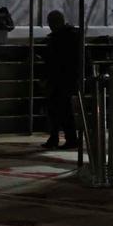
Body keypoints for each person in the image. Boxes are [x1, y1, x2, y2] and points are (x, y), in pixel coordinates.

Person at [41, 10, 82, 149]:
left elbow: (54, 61)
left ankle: (60, 138)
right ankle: (67, 138)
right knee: (63, 110)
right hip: (68, 78)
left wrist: (46, 77)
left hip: (60, 79)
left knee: (58, 110)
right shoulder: (72, 35)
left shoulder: (58, 38)